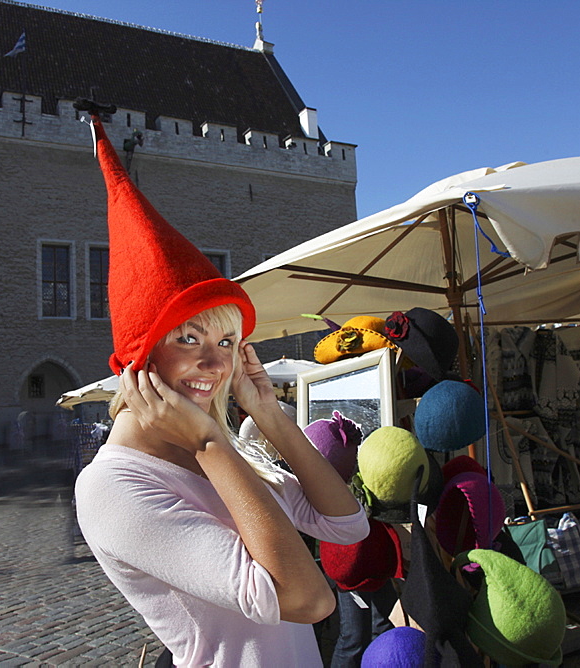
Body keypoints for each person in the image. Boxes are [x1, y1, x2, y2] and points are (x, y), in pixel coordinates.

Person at [74, 112, 369, 667]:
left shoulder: (221, 449)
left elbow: (346, 525)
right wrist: (211, 444)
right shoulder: (112, 486)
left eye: (229, 341)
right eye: (188, 337)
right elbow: (306, 599)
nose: (215, 361)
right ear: (140, 357)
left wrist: (271, 418)